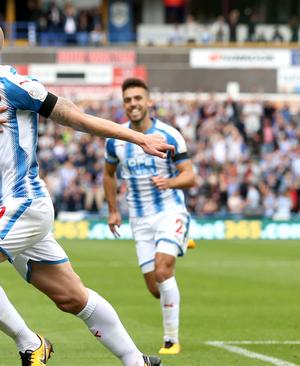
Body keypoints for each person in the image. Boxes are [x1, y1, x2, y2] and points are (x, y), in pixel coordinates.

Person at [0, 17, 171, 366]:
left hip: (25, 204)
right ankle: (137, 361)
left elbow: (77, 118)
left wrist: (139, 137)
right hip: (6, 214)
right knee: (72, 298)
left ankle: (31, 344)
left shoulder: (15, 84)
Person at [102, 78, 197, 356]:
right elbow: (108, 175)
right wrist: (113, 209)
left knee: (163, 270)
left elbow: (190, 176)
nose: (133, 104)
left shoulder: (169, 135)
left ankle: (171, 340)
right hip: (140, 220)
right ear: (124, 104)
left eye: (138, 98)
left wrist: (171, 182)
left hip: (169, 211)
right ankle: (181, 240)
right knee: (156, 288)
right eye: (128, 100)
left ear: (149, 101)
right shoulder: (117, 139)